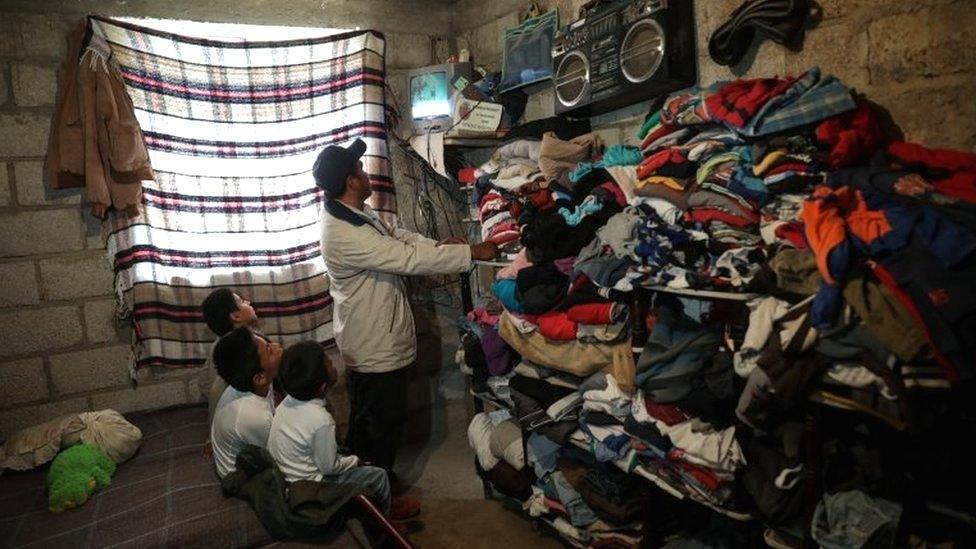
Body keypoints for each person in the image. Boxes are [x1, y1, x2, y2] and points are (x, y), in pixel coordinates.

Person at [314, 138, 500, 487]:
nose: (366, 173)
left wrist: (441, 246)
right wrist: (471, 252)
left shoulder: (354, 213)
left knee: (373, 422)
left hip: (373, 338)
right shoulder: (342, 232)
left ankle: (371, 484)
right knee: (379, 427)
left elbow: (398, 237)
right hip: (372, 343)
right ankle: (377, 501)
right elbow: (405, 258)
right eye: (360, 169)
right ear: (352, 182)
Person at [268, 341, 420, 522]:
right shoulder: (321, 420)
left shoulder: (287, 402)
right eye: (330, 364)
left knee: (347, 455)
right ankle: (383, 522)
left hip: (289, 477)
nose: (333, 365)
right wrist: (355, 461)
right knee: (377, 475)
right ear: (323, 387)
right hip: (311, 485)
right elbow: (329, 467)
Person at [210, 326, 283, 478]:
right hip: (241, 477)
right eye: (269, 350)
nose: (278, 346)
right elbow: (277, 456)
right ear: (259, 378)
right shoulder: (255, 416)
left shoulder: (251, 382)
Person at [201, 289, 260, 456]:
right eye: (242, 301)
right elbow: (214, 391)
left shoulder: (236, 340)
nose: (248, 303)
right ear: (236, 316)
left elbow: (203, 383)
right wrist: (212, 437)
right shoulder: (231, 349)